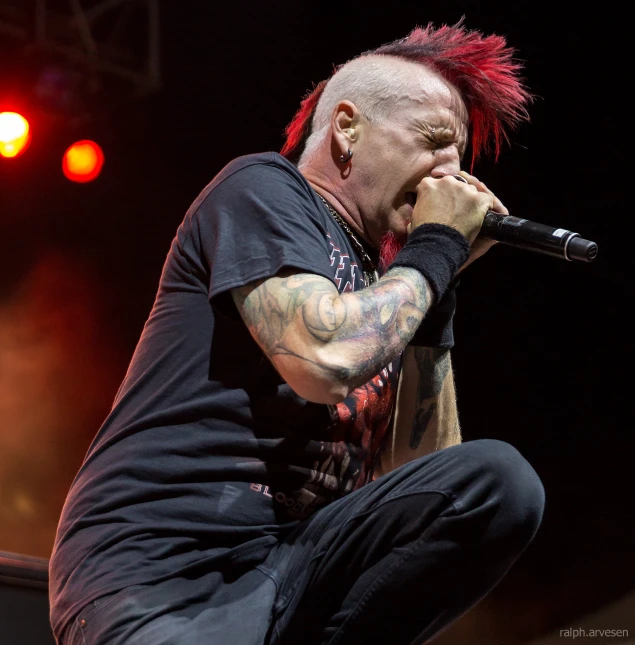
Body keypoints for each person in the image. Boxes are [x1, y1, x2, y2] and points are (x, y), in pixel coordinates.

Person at [49, 20, 545, 645]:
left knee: (496, 483)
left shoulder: (394, 282)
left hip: (293, 571)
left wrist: (436, 282)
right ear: (347, 127)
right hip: (171, 572)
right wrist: (436, 251)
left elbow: (423, 483)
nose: (453, 175)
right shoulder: (263, 189)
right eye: (434, 141)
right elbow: (323, 360)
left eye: (459, 156)